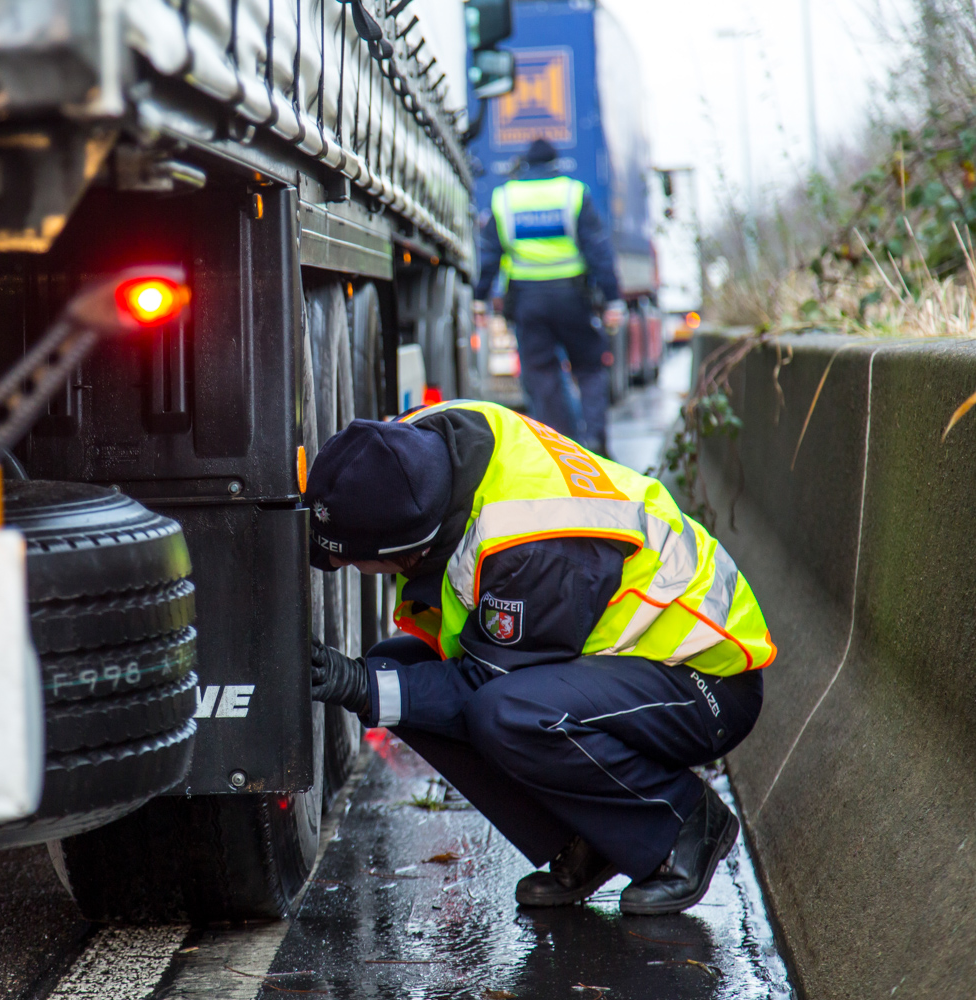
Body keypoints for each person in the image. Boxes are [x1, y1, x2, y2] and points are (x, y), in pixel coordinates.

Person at [305, 401, 774, 915]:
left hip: (704, 677)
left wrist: (359, 686)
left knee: (503, 712)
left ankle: (681, 821)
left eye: (349, 559)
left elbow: (476, 688)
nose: (339, 565)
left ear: (412, 551)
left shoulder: (528, 548)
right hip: (622, 662)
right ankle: (592, 835)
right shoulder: (420, 446)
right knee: (398, 667)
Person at [475, 138, 625, 455]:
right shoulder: (572, 193)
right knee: (589, 368)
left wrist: (480, 299)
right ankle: (596, 441)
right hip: (573, 297)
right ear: (555, 163)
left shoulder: (505, 197)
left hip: (528, 301)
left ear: (526, 163)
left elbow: (489, 254)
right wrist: (613, 299)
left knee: (541, 375)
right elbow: (598, 250)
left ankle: (562, 451)